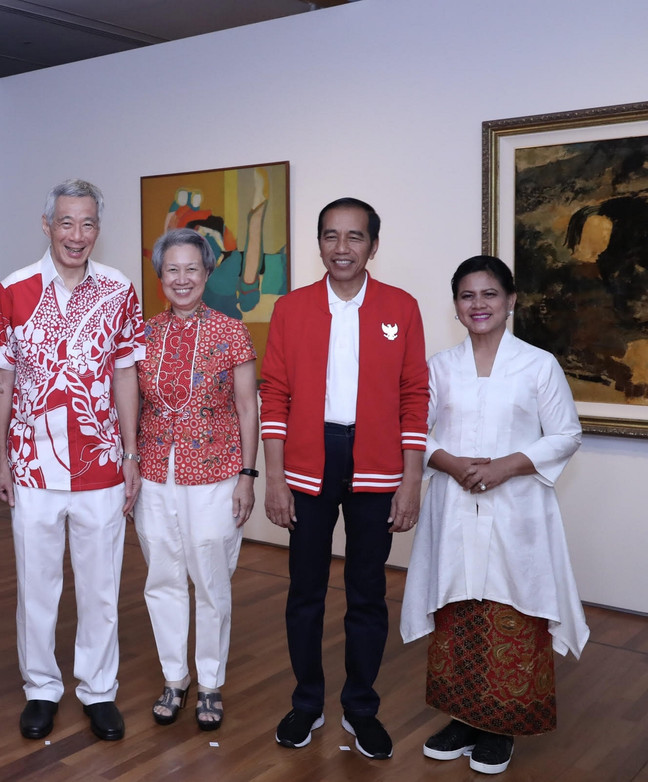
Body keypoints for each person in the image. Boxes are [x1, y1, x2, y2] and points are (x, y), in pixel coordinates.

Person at [400, 255, 588, 775]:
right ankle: (461, 718)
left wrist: (506, 466)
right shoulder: (439, 367)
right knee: (456, 609)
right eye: (467, 295)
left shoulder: (537, 364)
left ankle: (501, 725)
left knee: (512, 607)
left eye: (488, 294)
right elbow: (416, 429)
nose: (477, 304)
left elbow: (566, 434)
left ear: (510, 301)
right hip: (453, 507)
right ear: (456, 306)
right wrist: (451, 463)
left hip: (517, 511)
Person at [260, 197, 428, 759]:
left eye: (355, 237)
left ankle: (361, 708)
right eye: (331, 236)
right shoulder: (292, 308)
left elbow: (413, 397)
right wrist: (275, 478)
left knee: (368, 592)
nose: (342, 248)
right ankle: (306, 703)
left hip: (377, 463)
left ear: (373, 246)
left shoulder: (400, 308)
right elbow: (275, 394)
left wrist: (411, 481)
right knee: (304, 590)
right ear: (320, 244)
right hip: (308, 462)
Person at [0, 179, 146, 742]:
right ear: (47, 225)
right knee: (37, 586)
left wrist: (130, 453)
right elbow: (1, 380)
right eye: (67, 223)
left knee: (101, 586)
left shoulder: (119, 289)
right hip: (31, 466)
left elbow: (126, 372)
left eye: (88, 224)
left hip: (102, 464)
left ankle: (99, 690)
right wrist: (2, 461)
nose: (77, 235)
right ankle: (41, 689)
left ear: (99, 229)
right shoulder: (14, 289)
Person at [133, 229, 258, 731]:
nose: (181, 279)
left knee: (210, 580)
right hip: (155, 471)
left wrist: (249, 476)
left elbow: (249, 408)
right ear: (160, 277)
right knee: (162, 578)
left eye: (192, 269)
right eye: (172, 270)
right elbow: (131, 404)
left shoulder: (232, 332)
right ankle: (174, 677)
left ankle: (209, 683)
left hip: (217, 472)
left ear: (207, 274)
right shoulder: (141, 334)